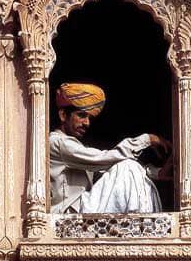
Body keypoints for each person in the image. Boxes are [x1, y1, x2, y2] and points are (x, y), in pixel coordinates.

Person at [49, 82, 172, 214]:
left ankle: (141, 221)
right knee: (128, 165)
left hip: (84, 210)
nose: (87, 123)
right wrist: (147, 139)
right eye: (81, 115)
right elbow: (103, 159)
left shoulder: (74, 146)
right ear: (63, 115)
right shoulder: (57, 142)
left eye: (89, 118)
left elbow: (112, 166)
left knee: (128, 165)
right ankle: (140, 220)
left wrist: (158, 173)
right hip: (67, 216)